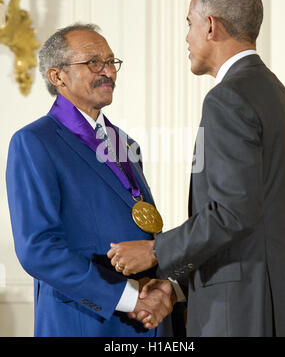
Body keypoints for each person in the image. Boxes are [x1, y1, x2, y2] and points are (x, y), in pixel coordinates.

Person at [107, 0, 285, 336]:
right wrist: (177, 284)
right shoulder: (279, 95)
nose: (186, 37)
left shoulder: (228, 97)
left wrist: (155, 251)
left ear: (210, 26)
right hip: (277, 298)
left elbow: (232, 211)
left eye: (188, 24)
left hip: (241, 308)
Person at [6, 24, 185, 337]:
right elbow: (38, 249)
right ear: (57, 76)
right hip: (85, 321)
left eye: (111, 62)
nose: (108, 72)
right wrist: (127, 298)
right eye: (93, 63)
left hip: (149, 320)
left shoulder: (124, 143)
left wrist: (163, 290)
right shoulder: (34, 142)